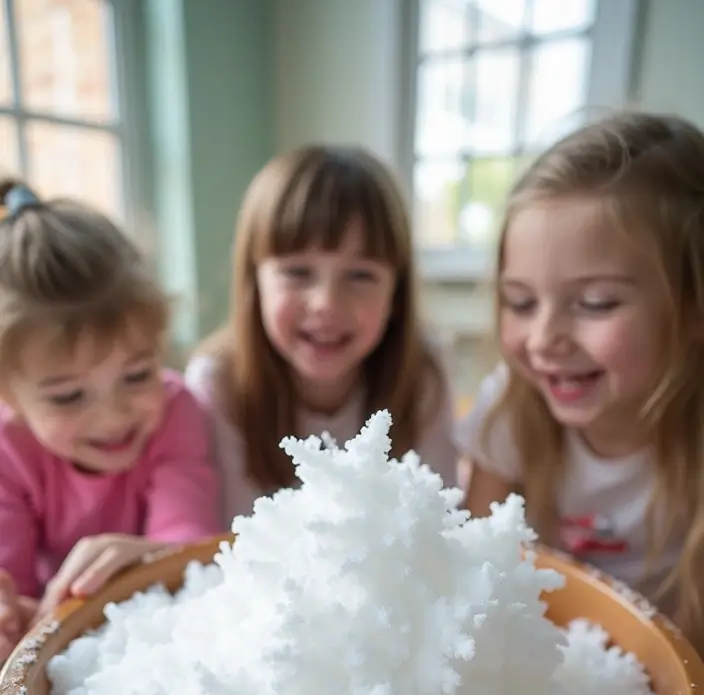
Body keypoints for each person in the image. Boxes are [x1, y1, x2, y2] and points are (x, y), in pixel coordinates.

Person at [458, 111, 704, 648]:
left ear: (693, 309)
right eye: (520, 302)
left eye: (596, 303)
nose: (544, 336)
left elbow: (691, 652)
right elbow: (472, 561)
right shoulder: (512, 408)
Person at [0, 180, 221, 660]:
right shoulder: (7, 447)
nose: (114, 413)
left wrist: (151, 557)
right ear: (8, 394)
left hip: (152, 638)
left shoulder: (176, 409)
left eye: (138, 374)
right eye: (69, 396)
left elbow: (190, 545)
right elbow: (9, 584)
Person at [185, 145, 458, 523]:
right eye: (298, 273)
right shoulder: (218, 383)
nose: (327, 304)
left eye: (361, 275)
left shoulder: (423, 375)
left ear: (396, 293)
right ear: (254, 281)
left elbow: (439, 522)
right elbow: (228, 541)